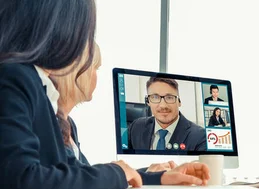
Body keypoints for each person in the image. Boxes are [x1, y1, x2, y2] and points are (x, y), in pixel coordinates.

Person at [0, 0, 209, 189]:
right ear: (63, 25)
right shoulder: (16, 77)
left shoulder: (34, 85)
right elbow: (20, 180)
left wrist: (157, 178)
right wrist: (115, 172)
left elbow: (71, 174)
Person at [52, 44, 179, 174]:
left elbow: (87, 175)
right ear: (76, 71)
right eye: (95, 68)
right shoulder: (50, 123)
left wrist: (145, 173)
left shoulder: (69, 124)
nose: (96, 76)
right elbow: (82, 178)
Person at [128, 77, 207, 151]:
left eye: (169, 97)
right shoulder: (136, 127)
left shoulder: (200, 137)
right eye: (155, 97)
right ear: (148, 102)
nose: (163, 105)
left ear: (179, 101)